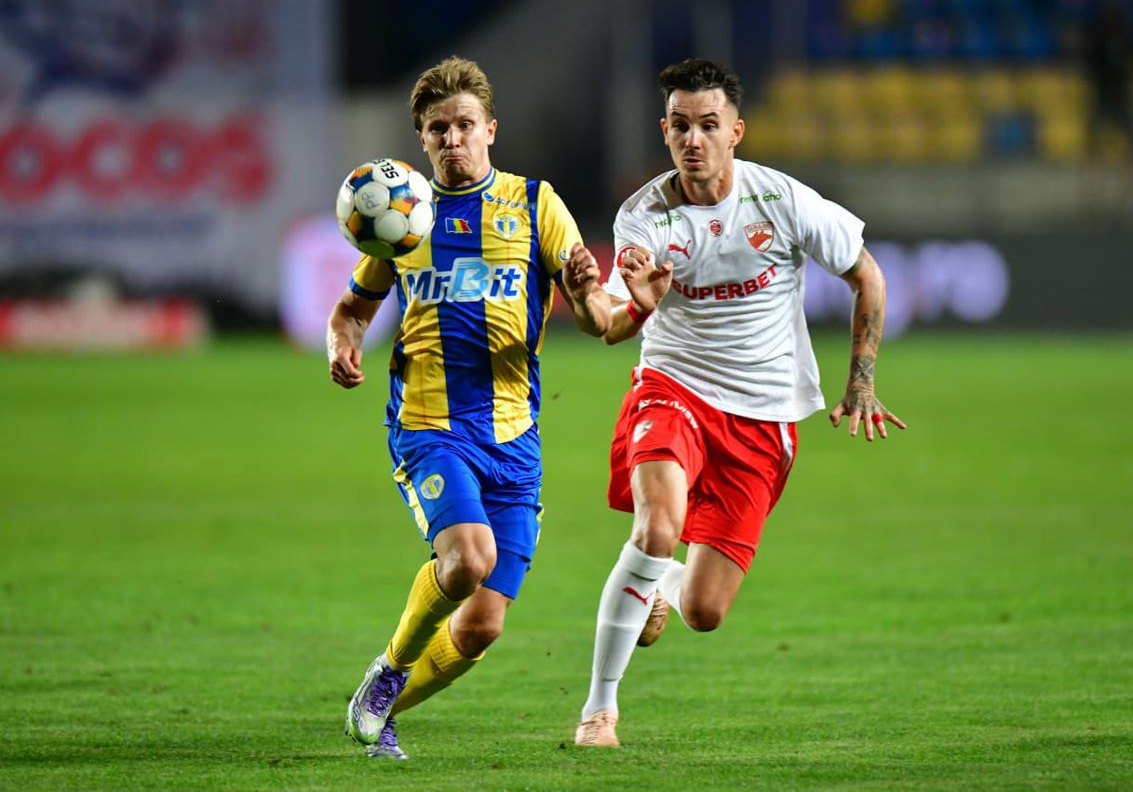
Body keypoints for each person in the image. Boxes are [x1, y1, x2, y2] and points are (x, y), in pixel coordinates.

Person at [574, 58, 906, 748]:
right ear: (665, 131)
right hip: (672, 388)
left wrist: (861, 382)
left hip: (762, 414)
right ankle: (599, 710)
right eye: (680, 126)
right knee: (658, 526)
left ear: (736, 132)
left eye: (708, 125)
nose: (693, 139)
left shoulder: (781, 199)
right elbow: (611, 326)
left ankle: (660, 582)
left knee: (704, 611)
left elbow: (867, 276)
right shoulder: (644, 217)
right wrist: (638, 307)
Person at [328, 56, 611, 761]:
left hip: (514, 438)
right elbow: (352, 310)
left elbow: (597, 320)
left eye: (463, 125)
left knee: (483, 625)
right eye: (437, 129)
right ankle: (391, 669)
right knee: (466, 560)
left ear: (490, 129)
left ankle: (380, 709)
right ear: (421, 139)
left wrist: (585, 290)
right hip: (429, 426)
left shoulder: (535, 204)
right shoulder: (402, 215)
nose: (452, 140)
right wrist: (343, 345)